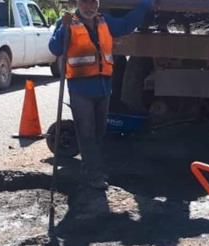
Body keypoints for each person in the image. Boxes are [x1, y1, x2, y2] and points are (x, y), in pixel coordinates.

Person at [49, 0, 155, 190]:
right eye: (84, 3)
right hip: (80, 90)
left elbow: (126, 25)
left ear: (97, 4)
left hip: (103, 89)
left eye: (92, 3)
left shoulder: (105, 21)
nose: (88, 7)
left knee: (98, 133)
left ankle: (89, 169)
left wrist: (143, 6)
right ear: (78, 4)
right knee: (86, 132)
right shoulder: (66, 22)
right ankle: (95, 175)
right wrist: (62, 29)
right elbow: (55, 48)